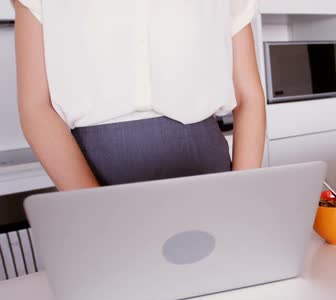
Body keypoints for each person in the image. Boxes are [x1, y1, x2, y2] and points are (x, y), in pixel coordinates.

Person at [14, 0, 266, 191]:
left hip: (209, 169)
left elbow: (249, 97)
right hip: (88, 172)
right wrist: (91, 209)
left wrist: (240, 193)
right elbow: (35, 107)